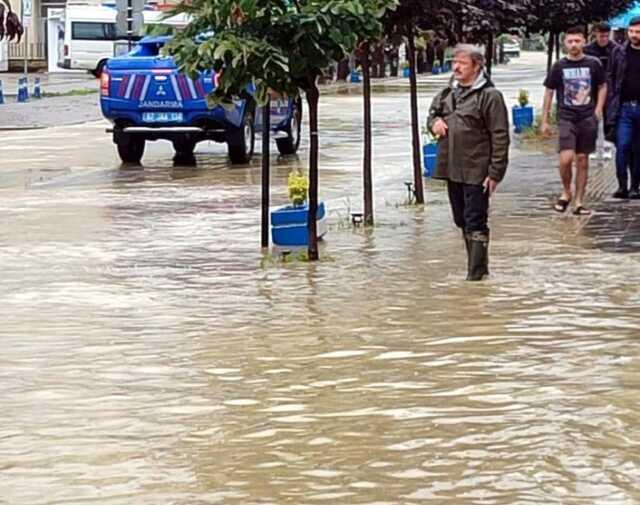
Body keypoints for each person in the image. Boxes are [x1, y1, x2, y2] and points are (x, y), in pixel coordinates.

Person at [427, 44, 510, 281]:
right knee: (461, 219)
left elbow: (500, 135)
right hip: (452, 167)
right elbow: (432, 114)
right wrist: (434, 123)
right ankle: (478, 268)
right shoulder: (448, 93)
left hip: (477, 168)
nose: (456, 67)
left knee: (476, 219)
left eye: (462, 63)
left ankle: (476, 275)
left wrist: (495, 172)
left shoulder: (489, 96)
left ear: (477, 66)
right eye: (454, 62)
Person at [542, 25, 607, 216]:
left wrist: (598, 109)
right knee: (565, 158)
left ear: (584, 42)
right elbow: (549, 91)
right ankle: (566, 191)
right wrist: (545, 120)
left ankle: (579, 201)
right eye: (570, 41)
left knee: (582, 159)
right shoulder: (559, 66)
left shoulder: (593, 63)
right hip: (566, 117)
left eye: (577, 41)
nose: (573, 44)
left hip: (587, 117)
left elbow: (602, 86)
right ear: (565, 43)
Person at [605, 16, 640, 200]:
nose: (634, 35)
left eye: (638, 32)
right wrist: (611, 102)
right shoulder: (619, 52)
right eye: (631, 31)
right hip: (624, 107)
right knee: (623, 145)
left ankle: (635, 187)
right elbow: (610, 77)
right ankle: (621, 186)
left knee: (638, 148)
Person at [585, 22, 618, 161]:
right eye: (600, 36)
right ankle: (591, 146)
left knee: (609, 118)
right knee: (592, 117)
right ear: (595, 35)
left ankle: (607, 147)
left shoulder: (616, 49)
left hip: (610, 87)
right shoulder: (588, 49)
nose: (603, 39)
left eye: (606, 36)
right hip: (592, 87)